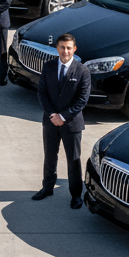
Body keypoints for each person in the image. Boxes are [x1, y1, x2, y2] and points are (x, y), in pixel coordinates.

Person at [34, 33, 92, 208]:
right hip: (51, 121)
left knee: (73, 159)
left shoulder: (82, 70)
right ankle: (47, 188)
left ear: (74, 49)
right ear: (57, 48)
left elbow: (82, 99)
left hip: (72, 123)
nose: (65, 51)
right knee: (49, 156)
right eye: (62, 47)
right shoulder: (48, 67)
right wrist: (52, 115)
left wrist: (64, 116)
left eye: (68, 48)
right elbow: (42, 92)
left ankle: (76, 195)